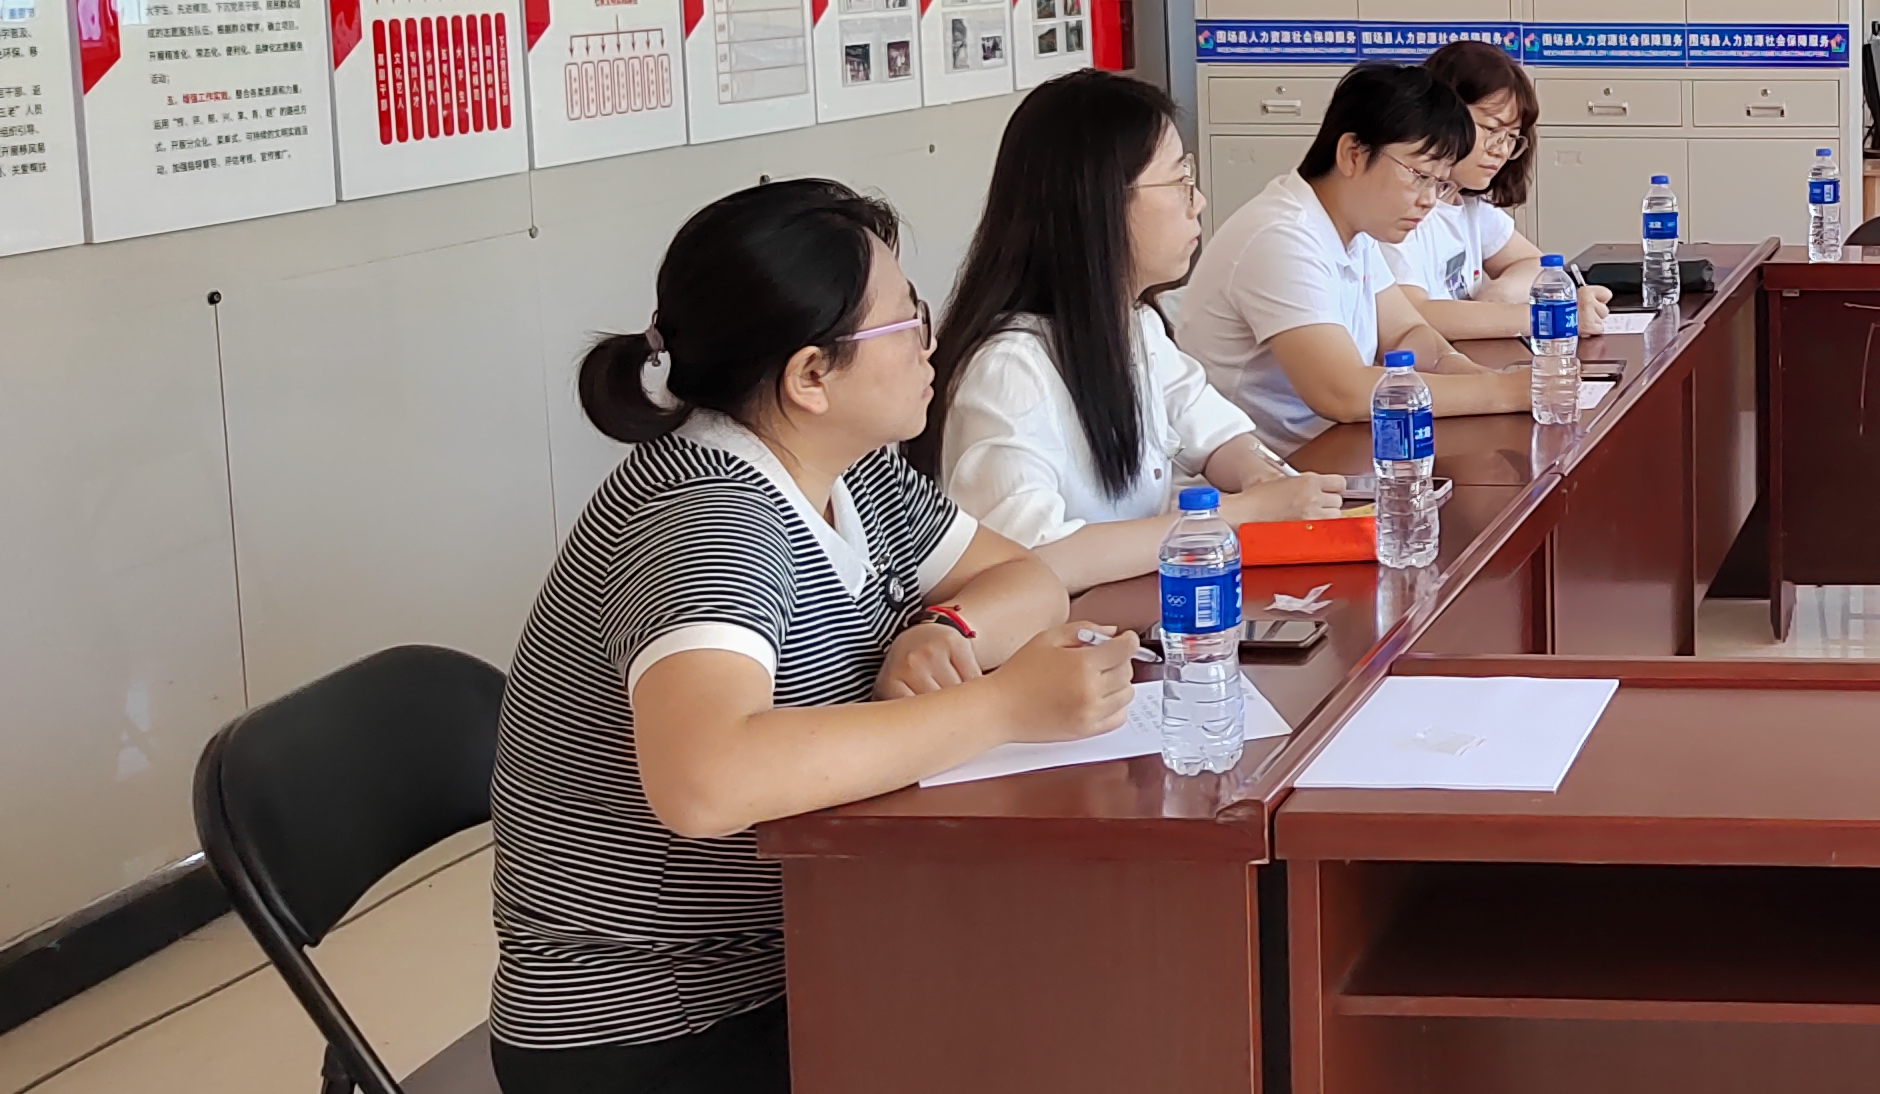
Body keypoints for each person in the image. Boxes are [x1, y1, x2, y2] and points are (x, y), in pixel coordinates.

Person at [491, 180, 1138, 1094]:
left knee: (1083, 990)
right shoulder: (710, 519)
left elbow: (1028, 579)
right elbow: (706, 782)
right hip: (662, 1025)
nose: (931, 344)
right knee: (1072, 1027)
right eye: (908, 322)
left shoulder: (850, 472)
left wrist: (944, 628)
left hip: (813, 937)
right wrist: (1002, 707)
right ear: (810, 377)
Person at [921, 70, 1349, 593]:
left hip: (1134, 616)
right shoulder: (1009, 369)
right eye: (1179, 181)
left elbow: (1214, 433)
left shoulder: (1135, 325)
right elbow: (1027, 559)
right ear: (1100, 203)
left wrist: (1259, 478)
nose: (1198, 201)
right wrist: (1235, 515)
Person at [1173, 61, 1535, 452]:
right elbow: (1342, 391)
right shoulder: (1281, 237)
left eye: (1439, 182)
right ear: (1353, 154)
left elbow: (1406, 333)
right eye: (1419, 176)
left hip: (1338, 451)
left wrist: (1474, 376)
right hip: (1271, 468)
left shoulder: (1353, 229)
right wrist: (1501, 392)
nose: (1430, 200)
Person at [1388, 39, 1611, 339]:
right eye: (1492, 129)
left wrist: (1497, 296)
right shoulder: (1399, 209)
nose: (1501, 150)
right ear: (1442, 114)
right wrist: (1549, 318)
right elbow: (1414, 315)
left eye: (1511, 138)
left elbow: (1538, 266)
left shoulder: (1466, 204)